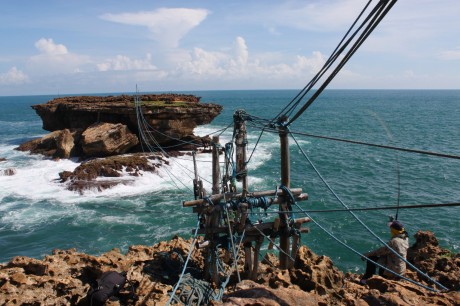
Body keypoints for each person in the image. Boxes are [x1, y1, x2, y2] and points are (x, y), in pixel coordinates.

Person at [360, 220, 409, 284]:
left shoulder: (394, 242)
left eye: (391, 229)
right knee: (384, 257)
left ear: (393, 230)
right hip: (401, 270)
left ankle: (367, 279)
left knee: (371, 259)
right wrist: (393, 221)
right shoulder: (405, 238)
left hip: (394, 271)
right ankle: (382, 276)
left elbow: (380, 251)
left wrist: (366, 255)